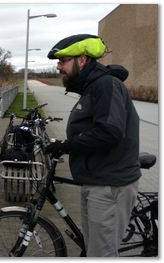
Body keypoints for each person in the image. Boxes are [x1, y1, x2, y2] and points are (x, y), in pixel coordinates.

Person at [44, 34, 141, 257]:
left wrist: (67, 145)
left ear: (83, 59)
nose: (59, 67)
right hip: (95, 180)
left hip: (110, 183)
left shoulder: (106, 86)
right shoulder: (91, 87)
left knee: (101, 254)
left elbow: (110, 132)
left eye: (63, 61)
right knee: (93, 250)